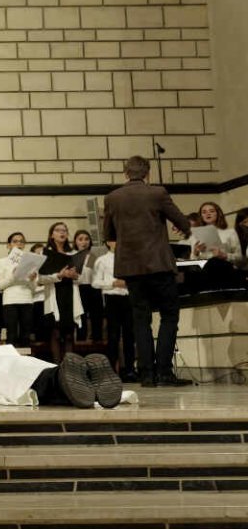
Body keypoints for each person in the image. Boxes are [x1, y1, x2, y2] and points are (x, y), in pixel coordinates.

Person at [103, 155, 192, 386]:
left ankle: (146, 374)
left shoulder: (112, 198)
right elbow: (183, 222)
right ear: (147, 173)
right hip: (159, 264)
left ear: (125, 173)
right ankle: (164, 372)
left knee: (140, 320)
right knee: (169, 315)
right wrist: (182, 228)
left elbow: (108, 235)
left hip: (131, 268)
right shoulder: (157, 193)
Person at [92, 239, 135, 381]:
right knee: (113, 335)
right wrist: (113, 283)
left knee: (130, 335)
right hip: (112, 298)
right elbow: (95, 282)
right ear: (108, 243)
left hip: (128, 298)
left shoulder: (130, 258)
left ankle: (130, 370)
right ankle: (111, 371)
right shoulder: (102, 260)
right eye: (114, 240)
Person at [41, 222, 83, 361]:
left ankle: (70, 369)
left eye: (64, 230)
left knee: (70, 334)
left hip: (69, 293)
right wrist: (59, 275)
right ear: (51, 234)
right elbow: (40, 279)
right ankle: (57, 368)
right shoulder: (46, 253)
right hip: (55, 294)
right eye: (58, 230)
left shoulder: (73, 254)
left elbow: (82, 277)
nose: (62, 232)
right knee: (57, 333)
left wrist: (75, 275)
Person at [0, 233, 36, 348]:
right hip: (10, 301)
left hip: (27, 300)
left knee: (26, 335)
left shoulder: (30, 262)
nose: (18, 244)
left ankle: (26, 363)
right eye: (15, 241)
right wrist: (13, 276)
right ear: (8, 245)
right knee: (11, 335)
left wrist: (31, 280)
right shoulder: (2, 261)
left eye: (21, 241)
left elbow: (33, 288)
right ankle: (11, 363)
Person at [73, 230, 103, 344]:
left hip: (93, 288)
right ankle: (81, 341)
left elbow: (93, 274)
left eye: (86, 239)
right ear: (75, 241)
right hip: (79, 288)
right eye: (80, 239)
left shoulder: (92, 256)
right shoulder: (73, 256)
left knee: (96, 317)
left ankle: (97, 341)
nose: (84, 242)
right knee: (81, 317)